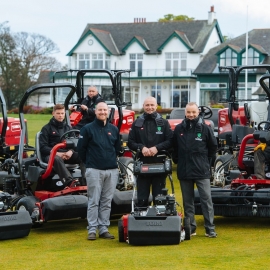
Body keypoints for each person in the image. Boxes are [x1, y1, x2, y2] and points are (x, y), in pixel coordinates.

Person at [172, 102, 218, 238]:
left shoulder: (205, 128)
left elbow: (213, 148)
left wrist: (206, 162)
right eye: (188, 112)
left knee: (206, 200)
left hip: (201, 170)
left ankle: (210, 228)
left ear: (198, 113)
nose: (191, 115)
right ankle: (191, 228)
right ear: (185, 113)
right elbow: (174, 148)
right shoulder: (179, 129)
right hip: (184, 170)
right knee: (188, 202)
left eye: (193, 112)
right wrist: (178, 161)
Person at [77, 102, 121, 240]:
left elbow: (117, 148)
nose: (102, 112)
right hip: (94, 169)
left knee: (106, 201)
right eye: (100, 110)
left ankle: (103, 228)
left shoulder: (114, 129)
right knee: (94, 200)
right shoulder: (87, 129)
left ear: (108, 111)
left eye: (104, 110)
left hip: (112, 170)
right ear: (95, 111)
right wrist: (90, 163)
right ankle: (92, 229)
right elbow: (81, 150)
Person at [128, 96, 173, 208]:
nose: (149, 107)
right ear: (143, 106)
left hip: (159, 164)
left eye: (152, 105)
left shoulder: (163, 123)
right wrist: (141, 147)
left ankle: (160, 222)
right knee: (142, 198)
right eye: (147, 105)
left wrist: (156, 148)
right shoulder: (137, 123)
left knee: (160, 198)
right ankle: (141, 220)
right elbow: (130, 142)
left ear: (156, 106)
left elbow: (170, 141)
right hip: (142, 164)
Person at [39, 104, 85, 188]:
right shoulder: (46, 129)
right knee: (56, 159)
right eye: (58, 113)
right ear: (53, 113)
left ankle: (86, 181)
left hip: (67, 154)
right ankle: (69, 182)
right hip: (51, 155)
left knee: (84, 156)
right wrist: (56, 153)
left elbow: (75, 143)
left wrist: (71, 151)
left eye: (62, 113)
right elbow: (43, 147)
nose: (60, 115)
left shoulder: (68, 128)